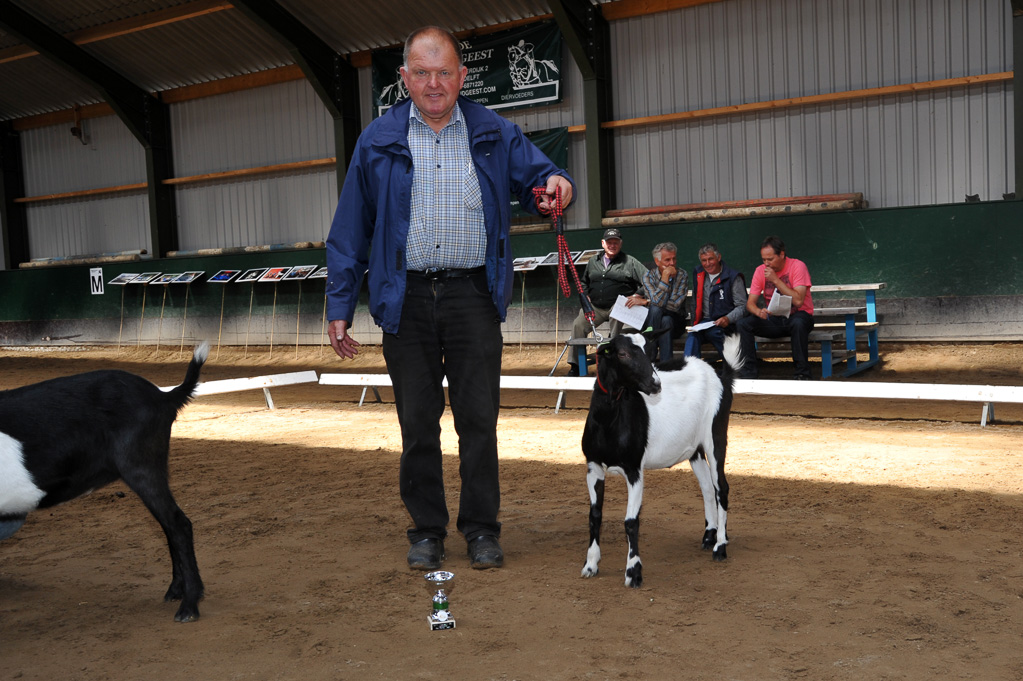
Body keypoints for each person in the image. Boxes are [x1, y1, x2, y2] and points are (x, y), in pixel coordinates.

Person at [325, 26, 574, 572]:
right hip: (405, 300)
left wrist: (558, 183)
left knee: (478, 423)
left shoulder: (494, 132)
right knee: (418, 424)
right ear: (404, 79)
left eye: (444, 73)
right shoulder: (377, 140)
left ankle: (482, 530)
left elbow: (544, 175)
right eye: (422, 72)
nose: (433, 83)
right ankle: (427, 531)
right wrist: (339, 304)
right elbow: (349, 231)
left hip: (472, 298)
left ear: (463, 77)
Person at [566, 227, 647, 375]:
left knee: (617, 314)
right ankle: (575, 365)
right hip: (595, 306)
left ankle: (614, 360)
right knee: (578, 324)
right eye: (609, 242)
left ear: (620, 244)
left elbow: (648, 280)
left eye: (615, 242)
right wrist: (585, 295)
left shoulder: (629, 262)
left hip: (617, 305)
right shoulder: (593, 261)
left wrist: (637, 295)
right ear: (603, 243)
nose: (612, 245)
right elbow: (584, 282)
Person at [736, 236, 814, 379]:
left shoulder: (797, 266)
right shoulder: (760, 271)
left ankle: (802, 373)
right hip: (775, 318)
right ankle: (748, 373)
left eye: (770, 259)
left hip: (799, 316)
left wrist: (776, 280)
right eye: (764, 259)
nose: (767, 263)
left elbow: (798, 301)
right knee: (743, 324)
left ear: (782, 254)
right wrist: (758, 312)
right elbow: (750, 303)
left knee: (798, 323)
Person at [683, 243, 748, 360]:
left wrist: (728, 318)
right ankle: (689, 369)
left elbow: (743, 306)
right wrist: (695, 323)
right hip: (704, 323)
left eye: (710, 259)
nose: (707, 264)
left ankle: (734, 365)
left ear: (718, 257)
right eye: (704, 260)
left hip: (727, 324)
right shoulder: (698, 273)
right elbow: (695, 301)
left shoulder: (733, 277)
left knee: (714, 333)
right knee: (692, 335)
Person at [627, 242, 688, 363]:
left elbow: (675, 305)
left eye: (674, 259)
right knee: (665, 319)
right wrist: (665, 278)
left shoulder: (682, 275)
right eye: (667, 260)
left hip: (677, 322)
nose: (672, 263)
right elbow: (656, 302)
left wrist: (646, 302)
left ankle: (650, 352)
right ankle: (666, 364)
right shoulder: (648, 276)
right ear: (657, 261)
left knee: (657, 310)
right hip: (658, 322)